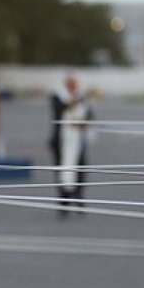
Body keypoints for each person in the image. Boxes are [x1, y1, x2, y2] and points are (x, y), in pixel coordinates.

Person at [48, 75, 93, 217]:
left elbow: (89, 115)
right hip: (61, 140)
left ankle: (79, 196)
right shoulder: (57, 96)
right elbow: (60, 110)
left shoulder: (82, 97)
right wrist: (77, 99)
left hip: (78, 139)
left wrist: (82, 123)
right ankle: (64, 199)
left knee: (80, 169)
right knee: (62, 170)